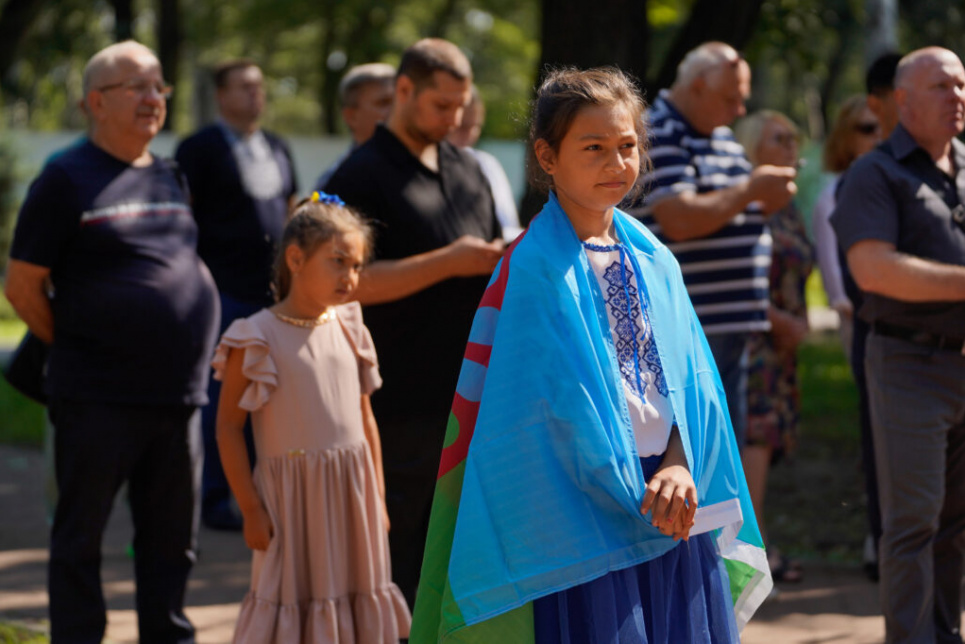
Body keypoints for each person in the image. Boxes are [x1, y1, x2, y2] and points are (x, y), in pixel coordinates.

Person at [411, 66, 770, 644]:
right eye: (594, 147)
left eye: (627, 146)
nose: (616, 162)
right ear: (547, 157)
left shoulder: (655, 258)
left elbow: (692, 382)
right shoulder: (530, 269)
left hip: (671, 502)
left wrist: (679, 462)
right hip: (579, 517)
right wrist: (625, 485)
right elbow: (534, 421)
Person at [4, 40, 218, 642]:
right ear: (96, 102)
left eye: (160, 88)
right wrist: (79, 344)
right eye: (139, 87)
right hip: (96, 397)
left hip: (178, 397)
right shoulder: (65, 178)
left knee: (173, 541)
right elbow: (22, 287)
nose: (154, 99)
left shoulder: (171, 173)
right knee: (81, 537)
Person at [323, 37, 504, 608]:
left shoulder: (467, 166)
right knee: (397, 555)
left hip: (471, 393)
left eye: (461, 105)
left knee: (460, 550)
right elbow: (343, 283)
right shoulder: (358, 175)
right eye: (441, 105)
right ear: (404, 91)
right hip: (397, 401)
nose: (454, 118)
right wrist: (448, 262)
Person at [213, 193, 411, 642]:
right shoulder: (255, 338)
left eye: (357, 265)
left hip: (351, 495)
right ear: (296, 258)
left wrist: (377, 496)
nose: (351, 276)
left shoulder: (350, 327)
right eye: (338, 261)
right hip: (292, 504)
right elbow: (227, 426)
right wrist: (249, 506)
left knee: (354, 597)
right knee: (292, 603)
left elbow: (366, 420)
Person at [831, 47, 965, 644]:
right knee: (912, 522)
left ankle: (943, 633)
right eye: (941, 86)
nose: (957, 96)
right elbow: (873, 270)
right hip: (907, 362)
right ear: (902, 100)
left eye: (962, 85)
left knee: (955, 524)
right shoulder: (874, 172)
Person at [629, 41, 797, 451]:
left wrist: (767, 196)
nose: (740, 110)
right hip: (688, 328)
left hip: (728, 326)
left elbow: (734, 207)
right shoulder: (658, 130)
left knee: (721, 450)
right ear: (699, 87)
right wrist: (754, 188)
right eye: (731, 98)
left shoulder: (718, 135)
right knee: (691, 452)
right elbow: (680, 218)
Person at [175, 58, 299, 531]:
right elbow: (183, 221)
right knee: (222, 399)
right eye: (244, 87)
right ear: (221, 95)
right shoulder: (198, 149)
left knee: (267, 398)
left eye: (259, 85)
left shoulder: (277, 146)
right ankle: (212, 498)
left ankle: (256, 491)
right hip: (220, 293)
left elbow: (291, 210)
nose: (255, 95)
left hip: (271, 295)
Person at [734, 111, 814, 584]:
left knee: (766, 442)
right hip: (751, 343)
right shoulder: (747, 200)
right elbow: (734, 270)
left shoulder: (787, 202)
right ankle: (751, 555)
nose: (790, 147)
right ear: (752, 149)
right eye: (778, 139)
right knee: (755, 440)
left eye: (794, 138)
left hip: (782, 350)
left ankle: (754, 545)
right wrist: (777, 319)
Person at [812, 95, 881, 360]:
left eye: (883, 127)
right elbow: (829, 256)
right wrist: (841, 298)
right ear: (846, 137)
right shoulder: (833, 193)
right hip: (859, 312)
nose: (878, 135)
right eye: (866, 128)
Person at [447, 84, 523, 239]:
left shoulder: (486, 164)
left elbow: (507, 224)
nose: (468, 134)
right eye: (462, 126)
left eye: (475, 126)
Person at [314, 62, 396, 190]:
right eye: (383, 103)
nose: (396, 110)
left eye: (398, 101)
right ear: (351, 117)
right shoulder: (337, 183)